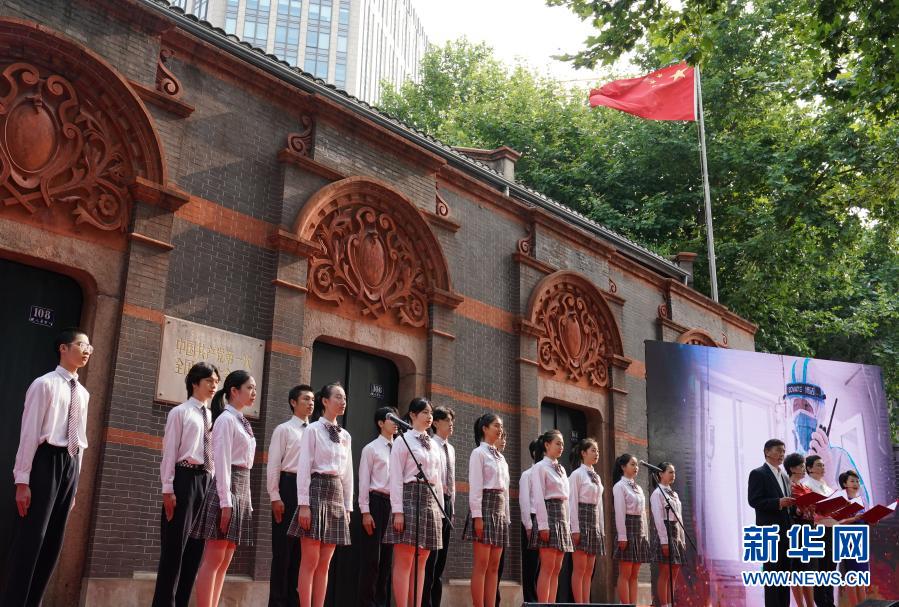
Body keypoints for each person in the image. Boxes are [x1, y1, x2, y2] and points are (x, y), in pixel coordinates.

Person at [2, 328, 92, 607]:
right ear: (63, 348)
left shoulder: (84, 393)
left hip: (70, 465)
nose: (87, 351)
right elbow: (29, 432)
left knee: (53, 540)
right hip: (45, 462)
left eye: (89, 347)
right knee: (32, 538)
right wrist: (22, 480)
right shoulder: (44, 384)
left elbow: (80, 440)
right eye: (81, 345)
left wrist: (75, 484)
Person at [152, 361, 220, 607]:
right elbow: (169, 451)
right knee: (174, 550)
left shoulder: (213, 416)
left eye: (216, 382)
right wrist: (167, 488)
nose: (214, 386)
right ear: (194, 383)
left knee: (195, 550)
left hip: (205, 481)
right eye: (209, 381)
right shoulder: (180, 412)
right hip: (184, 479)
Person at [190, 370, 258, 607]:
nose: (254, 393)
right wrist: (225, 501)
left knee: (225, 559)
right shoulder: (226, 420)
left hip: (241, 488)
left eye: (254, 388)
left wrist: (246, 500)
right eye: (249, 388)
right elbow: (221, 462)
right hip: (226, 490)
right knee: (214, 557)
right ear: (234, 391)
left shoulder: (241, 420)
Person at [288, 382, 353, 607]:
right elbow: (304, 467)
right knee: (310, 560)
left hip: (336, 495)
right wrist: (304, 504)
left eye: (344, 398)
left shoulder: (346, 435)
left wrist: (348, 507)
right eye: (338, 397)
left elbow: (348, 474)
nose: (343, 402)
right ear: (325, 401)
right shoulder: (313, 429)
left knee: (325, 563)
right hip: (316, 490)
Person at [383, 398, 445, 607]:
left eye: (431, 413)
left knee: (422, 562)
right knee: (405, 560)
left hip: (430, 502)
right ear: (412, 415)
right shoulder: (403, 440)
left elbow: (438, 481)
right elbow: (395, 477)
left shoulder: (434, 444)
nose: (429, 417)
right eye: (425, 412)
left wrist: (440, 511)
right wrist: (397, 511)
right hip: (409, 498)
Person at [267, 384, 315, 607]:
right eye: (305, 399)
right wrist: (275, 496)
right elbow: (274, 465)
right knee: (283, 552)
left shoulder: (316, 432)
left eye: (312, 399)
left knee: (301, 553)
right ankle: (277, 602)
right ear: (293, 402)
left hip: (310, 490)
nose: (310, 403)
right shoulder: (284, 429)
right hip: (288, 487)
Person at [461, 415, 509, 607]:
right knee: (481, 564)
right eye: (496, 425)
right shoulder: (478, 453)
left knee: (494, 567)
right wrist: (477, 516)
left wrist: (506, 517)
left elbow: (505, 490)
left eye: (501, 426)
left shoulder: (501, 457)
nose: (500, 429)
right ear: (484, 428)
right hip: (485, 508)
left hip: (499, 512)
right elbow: (475, 486)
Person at [747, 439, 796, 607]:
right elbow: (754, 500)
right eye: (778, 450)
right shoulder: (758, 473)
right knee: (772, 575)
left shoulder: (785, 476)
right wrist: (778, 503)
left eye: (784, 451)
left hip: (787, 532)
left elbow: (789, 505)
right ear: (767, 452)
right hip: (769, 532)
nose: (782, 454)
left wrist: (798, 509)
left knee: (785, 576)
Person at [358, 406, 397, 607]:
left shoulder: (400, 450)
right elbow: (364, 482)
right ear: (381, 423)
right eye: (391, 419)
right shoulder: (371, 449)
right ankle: (367, 603)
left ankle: (382, 603)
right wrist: (365, 511)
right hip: (375, 503)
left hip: (393, 506)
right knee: (372, 559)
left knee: (388, 560)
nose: (396, 423)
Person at [531, 429, 573, 603]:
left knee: (557, 569)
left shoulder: (561, 469)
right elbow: (538, 497)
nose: (561, 447)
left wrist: (568, 524)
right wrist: (543, 525)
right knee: (547, 567)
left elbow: (567, 498)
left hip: (562, 517)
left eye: (562, 444)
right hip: (548, 515)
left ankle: (551, 604)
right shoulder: (540, 467)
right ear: (547, 445)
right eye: (558, 443)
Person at [423, 405, 456, 607]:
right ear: (435, 423)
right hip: (434, 501)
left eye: (452, 421)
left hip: (448, 503)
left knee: (442, 560)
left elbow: (452, 481)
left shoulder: (450, 449)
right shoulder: (430, 444)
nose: (451, 424)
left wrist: (453, 507)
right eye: (447, 420)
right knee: (431, 559)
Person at [568, 438, 605, 604]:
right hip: (581, 519)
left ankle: (586, 602)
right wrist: (575, 529)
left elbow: (600, 504)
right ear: (583, 453)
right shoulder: (577, 474)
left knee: (590, 570)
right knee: (580, 568)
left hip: (594, 521)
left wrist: (601, 529)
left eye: (598, 451)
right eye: (593, 450)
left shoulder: (596, 476)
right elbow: (572, 502)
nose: (596, 454)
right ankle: (579, 603)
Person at [612, 453, 650, 605]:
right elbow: (620, 512)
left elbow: (643, 513)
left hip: (639, 531)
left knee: (635, 574)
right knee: (625, 573)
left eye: (637, 465)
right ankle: (625, 604)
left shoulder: (638, 488)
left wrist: (644, 534)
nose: (636, 467)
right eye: (632, 464)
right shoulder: (619, 486)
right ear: (623, 467)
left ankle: (633, 604)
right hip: (627, 529)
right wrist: (622, 536)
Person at [801, 454, 837, 607]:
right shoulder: (806, 486)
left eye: (823, 465)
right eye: (818, 465)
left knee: (830, 571)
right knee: (820, 570)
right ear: (809, 468)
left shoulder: (827, 487)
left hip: (833, 531)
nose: (822, 467)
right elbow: (807, 512)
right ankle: (823, 603)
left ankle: (830, 602)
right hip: (818, 533)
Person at [650, 462, 686, 607]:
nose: (673, 475)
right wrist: (664, 541)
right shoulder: (657, 493)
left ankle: (671, 603)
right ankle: (664, 604)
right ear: (660, 474)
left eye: (674, 472)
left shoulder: (674, 494)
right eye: (670, 472)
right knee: (665, 571)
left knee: (675, 571)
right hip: (665, 530)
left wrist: (682, 538)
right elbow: (658, 518)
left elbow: (679, 517)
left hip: (676, 532)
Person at [784, 452, 815, 607]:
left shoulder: (805, 487)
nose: (804, 469)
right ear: (792, 468)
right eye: (801, 466)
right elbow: (788, 509)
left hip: (808, 528)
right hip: (796, 529)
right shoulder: (786, 485)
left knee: (806, 569)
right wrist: (799, 509)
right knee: (796, 569)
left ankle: (810, 604)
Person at [834, 470, 868, 607]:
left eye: (857, 481)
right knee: (851, 577)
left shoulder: (860, 500)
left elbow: (863, 520)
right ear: (844, 484)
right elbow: (837, 522)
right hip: (847, 541)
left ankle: (864, 604)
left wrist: (871, 520)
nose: (856, 484)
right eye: (852, 481)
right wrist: (854, 518)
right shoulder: (841, 501)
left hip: (861, 540)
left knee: (861, 577)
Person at [518, 439, 541, 604]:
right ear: (535, 453)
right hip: (532, 520)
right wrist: (528, 525)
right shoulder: (527, 475)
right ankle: (531, 601)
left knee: (544, 565)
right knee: (531, 565)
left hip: (546, 520)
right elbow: (524, 501)